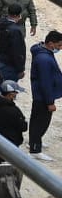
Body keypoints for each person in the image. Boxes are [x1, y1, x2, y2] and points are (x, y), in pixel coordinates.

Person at [29, 30, 62, 159]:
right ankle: (35, 150)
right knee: (41, 122)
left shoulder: (42, 51)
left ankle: (35, 142)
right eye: (59, 45)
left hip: (40, 96)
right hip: (43, 97)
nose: (60, 48)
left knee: (37, 120)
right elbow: (45, 82)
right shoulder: (44, 59)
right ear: (50, 43)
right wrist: (50, 102)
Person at [0, 81, 29, 163]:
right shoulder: (13, 111)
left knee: (0, 159)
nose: (16, 94)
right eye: (15, 92)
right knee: (7, 163)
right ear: (10, 94)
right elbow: (24, 127)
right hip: (10, 142)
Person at [0, 4, 29, 88]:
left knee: (1, 86)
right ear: (16, 15)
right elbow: (17, 51)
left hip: (1, 60)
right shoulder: (15, 31)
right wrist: (20, 69)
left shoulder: (2, 23)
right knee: (7, 91)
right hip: (10, 65)